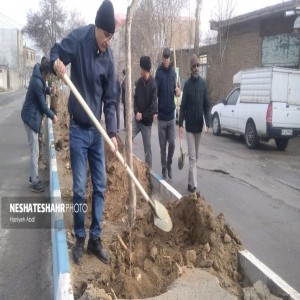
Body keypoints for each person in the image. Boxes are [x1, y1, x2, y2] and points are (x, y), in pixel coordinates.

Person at [50, 0, 118, 265]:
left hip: (96, 132)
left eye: (112, 37)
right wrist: (57, 63)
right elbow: (56, 51)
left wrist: (111, 132)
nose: (108, 42)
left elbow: (111, 100)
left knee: (100, 186)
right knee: (79, 188)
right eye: (106, 36)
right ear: (97, 29)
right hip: (78, 129)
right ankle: (79, 237)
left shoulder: (109, 58)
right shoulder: (79, 39)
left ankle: (95, 239)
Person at [21, 59, 58, 193]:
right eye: (48, 75)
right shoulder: (37, 81)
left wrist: (49, 90)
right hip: (30, 119)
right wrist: (53, 116)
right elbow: (42, 105)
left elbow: (43, 89)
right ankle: (34, 181)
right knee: (34, 151)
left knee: (34, 150)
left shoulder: (38, 77)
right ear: (45, 72)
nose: (48, 77)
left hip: (31, 116)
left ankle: (33, 177)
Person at [178, 54, 210, 193]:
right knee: (192, 158)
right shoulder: (187, 85)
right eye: (194, 66)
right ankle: (195, 188)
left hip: (199, 127)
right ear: (191, 69)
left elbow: (207, 105)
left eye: (198, 66)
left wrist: (207, 122)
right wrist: (180, 124)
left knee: (195, 158)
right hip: (190, 127)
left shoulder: (203, 84)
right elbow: (183, 106)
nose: (196, 68)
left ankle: (190, 183)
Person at [155, 47, 181, 179]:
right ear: (162, 58)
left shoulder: (173, 73)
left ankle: (169, 164)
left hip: (171, 116)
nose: (166, 60)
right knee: (162, 146)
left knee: (172, 143)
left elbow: (177, 90)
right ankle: (164, 169)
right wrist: (155, 110)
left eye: (168, 58)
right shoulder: (158, 74)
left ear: (170, 58)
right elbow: (155, 94)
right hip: (161, 117)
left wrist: (178, 92)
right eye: (164, 58)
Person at [132, 56, 157, 168]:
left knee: (148, 149)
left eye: (141, 68)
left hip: (146, 123)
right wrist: (136, 112)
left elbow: (153, 107)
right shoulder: (139, 83)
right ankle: (126, 161)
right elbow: (135, 100)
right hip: (137, 121)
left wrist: (143, 115)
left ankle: (149, 172)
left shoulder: (153, 84)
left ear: (145, 69)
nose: (140, 71)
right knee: (128, 138)